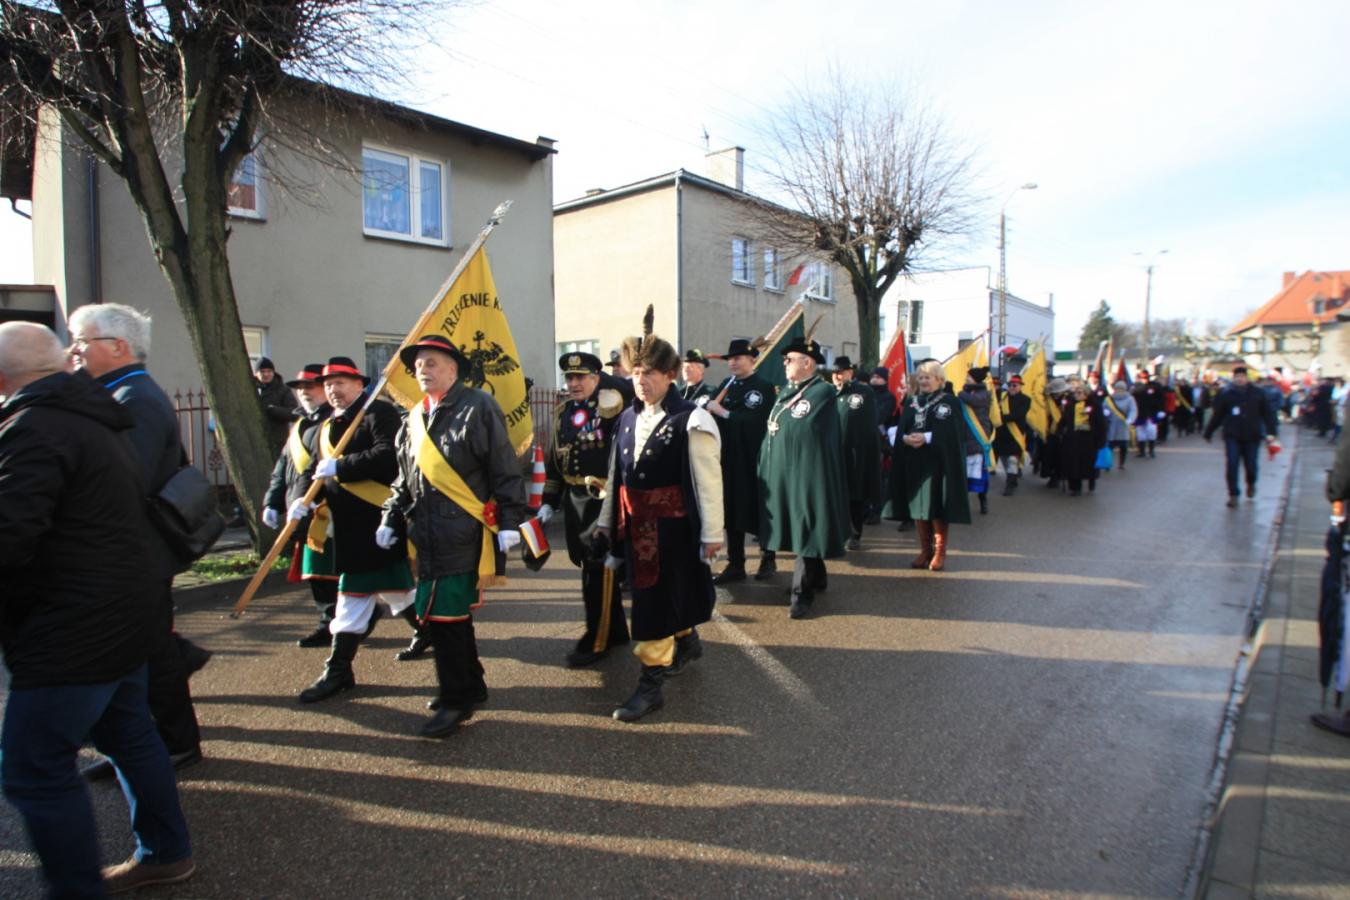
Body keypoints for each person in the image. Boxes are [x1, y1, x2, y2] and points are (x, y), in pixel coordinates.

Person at [0, 322, 195, 896]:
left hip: (73, 624)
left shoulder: (37, 426)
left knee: (34, 767)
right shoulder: (95, 418)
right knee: (130, 735)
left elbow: (10, 533)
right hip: (119, 611)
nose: (81, 348)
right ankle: (165, 852)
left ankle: (76, 888)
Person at [67, 303, 206, 777]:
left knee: (152, 653)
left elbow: (125, 482)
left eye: (82, 341)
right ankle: (148, 739)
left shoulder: (135, 399)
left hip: (137, 553)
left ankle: (175, 743)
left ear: (118, 346)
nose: (74, 351)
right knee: (147, 649)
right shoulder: (119, 392)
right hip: (130, 552)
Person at [381, 336, 527, 738]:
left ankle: (454, 700)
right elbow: (404, 478)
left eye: (431, 363)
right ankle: (472, 686)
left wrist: (511, 519)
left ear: (453, 369)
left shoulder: (478, 406)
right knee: (451, 617)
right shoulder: (413, 418)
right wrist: (389, 516)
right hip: (426, 534)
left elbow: (503, 465)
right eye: (418, 365)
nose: (422, 371)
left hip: (463, 531)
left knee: (444, 617)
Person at [594, 326, 722, 721]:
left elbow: (707, 481)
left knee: (653, 605)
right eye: (635, 373)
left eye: (649, 373)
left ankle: (651, 687)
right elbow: (616, 476)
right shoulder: (627, 418)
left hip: (673, 532)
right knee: (664, 597)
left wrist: (712, 534)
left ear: (669, 375)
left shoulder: (691, 418)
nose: (640, 381)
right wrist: (606, 522)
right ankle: (688, 641)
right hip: (636, 529)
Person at [292, 356, 417, 703]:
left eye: (340, 382)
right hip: (345, 525)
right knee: (397, 590)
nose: (333, 389)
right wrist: (301, 499)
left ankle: (338, 670)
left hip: (377, 520)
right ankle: (429, 631)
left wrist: (342, 466)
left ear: (359, 384)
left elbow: (390, 456)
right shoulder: (324, 426)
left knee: (352, 596)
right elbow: (312, 471)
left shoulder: (379, 413)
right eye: (328, 384)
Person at [538, 351, 630, 667]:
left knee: (597, 569)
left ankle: (596, 640)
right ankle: (616, 631)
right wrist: (548, 503)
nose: (574, 383)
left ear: (595, 378)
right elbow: (555, 463)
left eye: (581, 377)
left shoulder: (611, 406)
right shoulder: (562, 412)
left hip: (601, 501)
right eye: (570, 377)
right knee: (591, 567)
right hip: (574, 503)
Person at [757, 335, 850, 618]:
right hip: (786, 472)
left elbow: (803, 427)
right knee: (798, 525)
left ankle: (802, 593)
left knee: (807, 525)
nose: (784, 364)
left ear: (807, 363)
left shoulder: (821, 391)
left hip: (808, 473)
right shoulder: (788, 390)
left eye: (789, 359)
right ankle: (817, 578)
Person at [262, 364, 343, 648]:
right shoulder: (299, 425)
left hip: (325, 510)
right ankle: (330, 621)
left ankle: (342, 621)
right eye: (300, 388)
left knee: (329, 571)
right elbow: (282, 468)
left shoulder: (334, 422)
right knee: (316, 573)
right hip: (302, 508)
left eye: (311, 387)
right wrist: (272, 502)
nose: (305, 392)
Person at [885, 359, 971, 569]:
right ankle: (925, 550)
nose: (923, 381)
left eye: (928, 377)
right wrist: (904, 438)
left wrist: (927, 437)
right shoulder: (911, 401)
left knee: (936, 507)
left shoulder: (950, 402)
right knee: (919, 507)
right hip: (914, 462)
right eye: (921, 377)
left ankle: (940, 552)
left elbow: (952, 433)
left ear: (939, 379)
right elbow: (901, 427)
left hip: (938, 464)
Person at [705, 339, 778, 583]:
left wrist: (724, 412)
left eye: (738, 358)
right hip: (728, 457)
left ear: (752, 360)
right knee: (731, 510)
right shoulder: (726, 384)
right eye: (730, 359)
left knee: (759, 507)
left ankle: (768, 558)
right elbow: (710, 411)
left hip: (753, 457)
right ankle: (736, 563)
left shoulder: (764, 387)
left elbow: (757, 422)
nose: (733, 363)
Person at [1204, 365, 1280, 507]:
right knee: (1232, 464)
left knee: (1251, 465)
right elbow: (1218, 415)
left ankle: (1251, 483)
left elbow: (1268, 414)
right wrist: (1209, 432)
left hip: (1252, 435)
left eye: (1242, 376)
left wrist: (1272, 432)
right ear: (1234, 378)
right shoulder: (1226, 393)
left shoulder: (1258, 393)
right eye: (1237, 377)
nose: (1240, 379)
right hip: (1232, 435)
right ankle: (1233, 494)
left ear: (1247, 378)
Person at [831, 356, 882, 549]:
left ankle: (854, 534)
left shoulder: (863, 392)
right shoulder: (828, 392)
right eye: (835, 373)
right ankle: (836, 533)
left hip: (854, 453)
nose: (838, 376)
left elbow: (867, 423)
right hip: (833, 452)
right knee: (834, 494)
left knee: (855, 495)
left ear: (850, 372)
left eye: (841, 372)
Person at [1057, 381, 1106, 496]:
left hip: (1089, 440)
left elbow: (1101, 424)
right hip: (1073, 439)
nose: (1077, 395)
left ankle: (1091, 480)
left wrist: (1101, 440)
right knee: (1073, 463)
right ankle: (1075, 487)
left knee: (1088, 463)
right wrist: (1060, 430)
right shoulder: (1071, 405)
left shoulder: (1094, 405)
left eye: (1080, 393)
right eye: (1076, 393)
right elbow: (1064, 420)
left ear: (1086, 393)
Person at [958, 367, 994, 514]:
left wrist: (960, 393)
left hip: (978, 436)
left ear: (975, 379)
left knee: (979, 474)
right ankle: (963, 505)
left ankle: (983, 500)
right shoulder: (967, 392)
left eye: (969, 376)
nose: (966, 378)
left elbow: (973, 401)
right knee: (963, 474)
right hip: (964, 436)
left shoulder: (984, 394)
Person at [993, 373, 1031, 495]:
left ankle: (1010, 484)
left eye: (1015, 385)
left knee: (1012, 460)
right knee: (1004, 459)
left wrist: (1002, 418)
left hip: (1015, 434)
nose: (1012, 388)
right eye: (1010, 385)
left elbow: (1019, 414)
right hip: (1002, 434)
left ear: (1020, 386)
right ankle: (1012, 479)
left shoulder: (1025, 399)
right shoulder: (1002, 398)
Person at [254, 355, 295, 447]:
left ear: (273, 372)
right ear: (256, 373)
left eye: (269, 371)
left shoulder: (283, 389)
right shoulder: (250, 389)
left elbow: (294, 413)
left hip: (278, 440)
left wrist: (274, 410)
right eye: (262, 371)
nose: (266, 374)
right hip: (255, 440)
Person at [1103, 379, 1138, 470]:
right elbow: (1103, 407)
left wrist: (1130, 419)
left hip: (1123, 425)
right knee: (1110, 446)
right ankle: (1108, 464)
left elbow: (1133, 410)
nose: (1118, 390)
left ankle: (1121, 463)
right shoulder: (1109, 399)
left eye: (1121, 389)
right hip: (1111, 425)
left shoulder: (1130, 399)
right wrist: (1105, 412)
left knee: (1123, 446)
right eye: (1117, 388)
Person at [1131, 370, 1164, 458]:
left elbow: (1161, 399)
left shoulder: (1155, 386)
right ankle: (1141, 451)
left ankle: (1151, 451)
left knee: (1151, 432)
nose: (1144, 379)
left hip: (1152, 413)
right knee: (1140, 433)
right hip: (1140, 413)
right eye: (1142, 378)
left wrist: (1161, 410)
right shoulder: (1135, 387)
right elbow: (1132, 400)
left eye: (1146, 377)